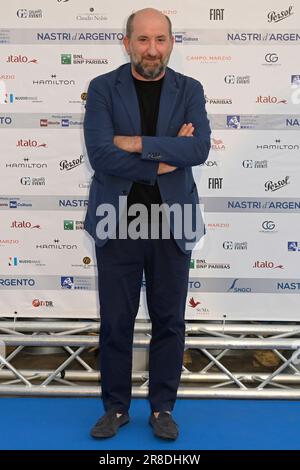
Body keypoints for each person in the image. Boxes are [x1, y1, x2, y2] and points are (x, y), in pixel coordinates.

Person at [83, 7, 211, 440]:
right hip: (116, 218)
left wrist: (135, 144)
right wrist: (164, 155)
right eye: (142, 40)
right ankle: (116, 408)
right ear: (127, 42)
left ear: (171, 43)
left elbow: (198, 151)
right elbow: (101, 153)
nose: (151, 49)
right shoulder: (102, 88)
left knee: (169, 319)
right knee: (116, 319)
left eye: (160, 40)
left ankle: (161, 409)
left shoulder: (190, 89)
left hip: (173, 219)